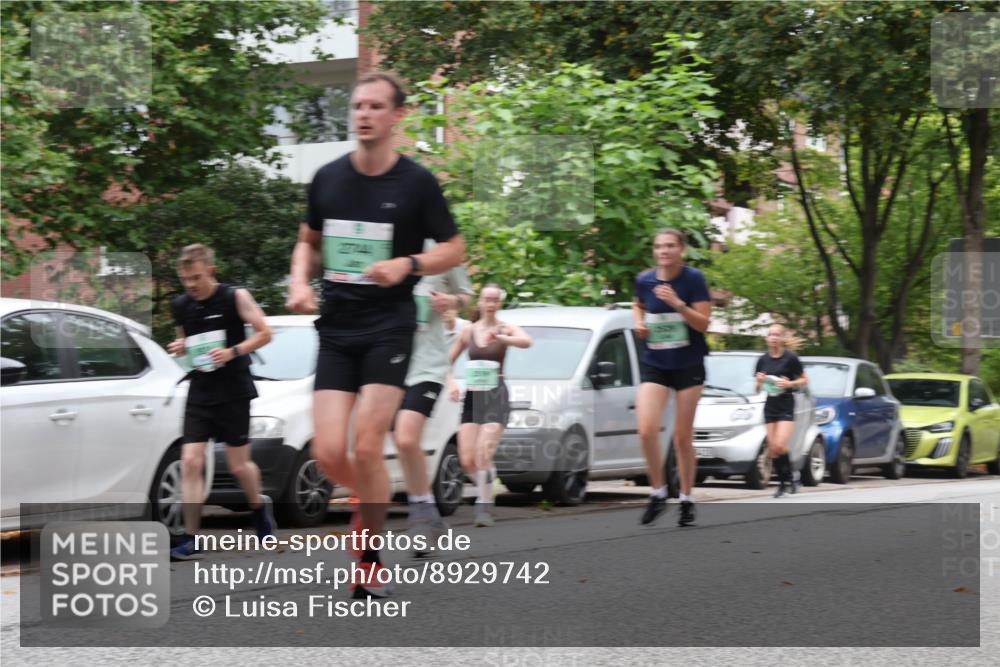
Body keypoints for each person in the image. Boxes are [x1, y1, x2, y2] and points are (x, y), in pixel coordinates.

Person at [286, 71, 464, 598]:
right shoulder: (328, 178)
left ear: (396, 116)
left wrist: (407, 264)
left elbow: (454, 250)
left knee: (367, 447)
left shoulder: (416, 183)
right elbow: (307, 243)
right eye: (357, 105)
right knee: (327, 451)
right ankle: (374, 495)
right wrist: (299, 279)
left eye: (375, 106)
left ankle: (368, 562)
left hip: (390, 327)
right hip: (338, 327)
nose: (363, 114)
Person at [167, 244, 274, 560]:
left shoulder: (234, 297)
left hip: (234, 390)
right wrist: (181, 346)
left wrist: (233, 352)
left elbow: (265, 333)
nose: (191, 285)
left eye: (196, 277)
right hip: (200, 389)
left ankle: (258, 510)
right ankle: (190, 537)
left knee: (239, 465)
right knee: (190, 460)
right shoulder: (181, 305)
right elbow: (189, 339)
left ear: (210, 271)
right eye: (186, 279)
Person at [395, 240, 473, 556]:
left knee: (405, 437)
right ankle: (429, 513)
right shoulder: (386, 238)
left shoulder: (441, 249)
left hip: (428, 364)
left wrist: (451, 301)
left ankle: (420, 516)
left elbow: (466, 296)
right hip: (388, 360)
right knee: (389, 442)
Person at [633, 229, 712, 527]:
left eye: (670, 246)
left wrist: (678, 303)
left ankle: (687, 500)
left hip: (688, 364)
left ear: (681, 250)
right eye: (658, 247)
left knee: (681, 437)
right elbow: (637, 304)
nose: (664, 251)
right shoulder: (645, 280)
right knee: (646, 429)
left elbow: (704, 323)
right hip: (656, 362)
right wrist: (639, 323)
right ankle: (658, 492)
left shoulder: (694, 279)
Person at [447, 284, 532, 527]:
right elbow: (446, 361)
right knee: (467, 460)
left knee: (484, 453)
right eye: (487, 299)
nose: (491, 303)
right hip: (473, 397)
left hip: (496, 395)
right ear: (481, 302)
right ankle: (489, 482)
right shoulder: (469, 331)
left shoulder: (505, 328)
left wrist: (503, 338)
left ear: (500, 303)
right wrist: (452, 382)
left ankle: (483, 508)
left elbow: (527, 341)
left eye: (495, 300)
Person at [754, 324, 808, 498]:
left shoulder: (790, 358)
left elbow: (805, 380)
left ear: (783, 338)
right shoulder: (762, 360)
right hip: (770, 405)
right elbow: (756, 389)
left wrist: (789, 384)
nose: (774, 338)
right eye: (771, 335)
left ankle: (789, 479)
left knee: (780, 445)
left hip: (786, 404)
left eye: (777, 335)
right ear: (767, 338)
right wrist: (760, 381)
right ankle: (786, 481)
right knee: (772, 449)